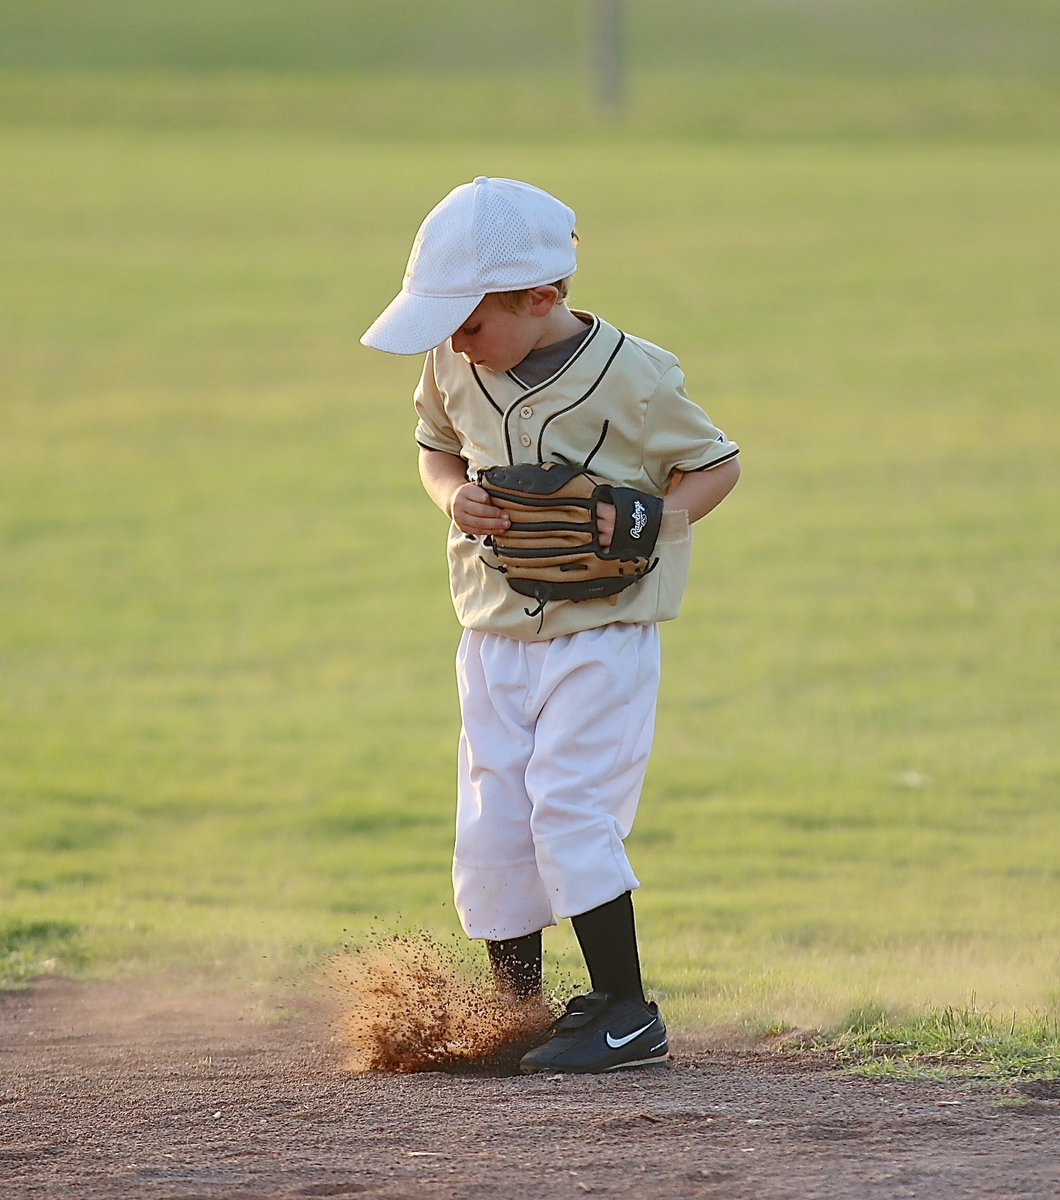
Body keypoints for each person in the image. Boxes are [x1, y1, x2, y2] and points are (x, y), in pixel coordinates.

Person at [361, 177, 740, 1073]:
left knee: (568, 801)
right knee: (494, 814)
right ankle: (515, 1010)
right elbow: (435, 449)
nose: (457, 339)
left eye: (470, 320)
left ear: (541, 298)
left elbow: (715, 466)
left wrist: (652, 518)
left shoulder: (637, 373)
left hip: (600, 632)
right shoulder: (456, 362)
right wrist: (455, 498)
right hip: (492, 631)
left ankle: (625, 1009)